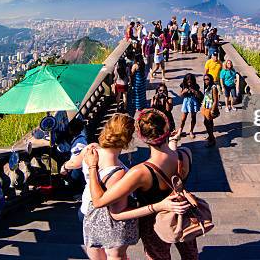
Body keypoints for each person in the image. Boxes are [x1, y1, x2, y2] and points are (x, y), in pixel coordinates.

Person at [84, 109, 196, 260]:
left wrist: (92, 166)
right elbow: (174, 166)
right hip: (184, 213)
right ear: (167, 130)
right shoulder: (185, 154)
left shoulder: (140, 172)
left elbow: (99, 202)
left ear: (142, 138)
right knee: (190, 256)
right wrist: (173, 142)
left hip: (154, 223)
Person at [63, 114, 139, 260]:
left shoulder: (90, 149)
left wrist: (64, 167)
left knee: (95, 254)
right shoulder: (117, 172)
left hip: (86, 211)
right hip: (108, 220)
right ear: (127, 140)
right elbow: (117, 210)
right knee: (115, 255)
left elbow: (75, 163)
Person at [58, 119, 88, 192]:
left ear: (71, 130)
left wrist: (65, 168)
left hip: (78, 169)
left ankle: (75, 191)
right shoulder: (80, 137)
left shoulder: (79, 143)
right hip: (79, 167)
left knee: (72, 180)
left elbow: (75, 160)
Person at [178, 73, 202, 139]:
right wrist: (183, 92)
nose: (189, 81)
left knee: (193, 117)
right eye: (188, 79)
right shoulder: (183, 85)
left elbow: (199, 95)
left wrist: (194, 91)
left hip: (193, 101)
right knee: (183, 119)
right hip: (186, 102)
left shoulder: (196, 86)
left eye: (190, 79)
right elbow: (180, 95)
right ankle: (180, 131)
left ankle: (191, 131)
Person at [201, 74, 219, 147]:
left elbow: (215, 100)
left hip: (210, 108)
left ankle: (212, 139)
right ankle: (210, 136)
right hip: (206, 106)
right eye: (204, 79)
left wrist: (213, 110)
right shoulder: (207, 86)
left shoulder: (213, 87)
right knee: (208, 123)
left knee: (208, 123)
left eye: (207, 79)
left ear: (210, 79)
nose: (205, 81)